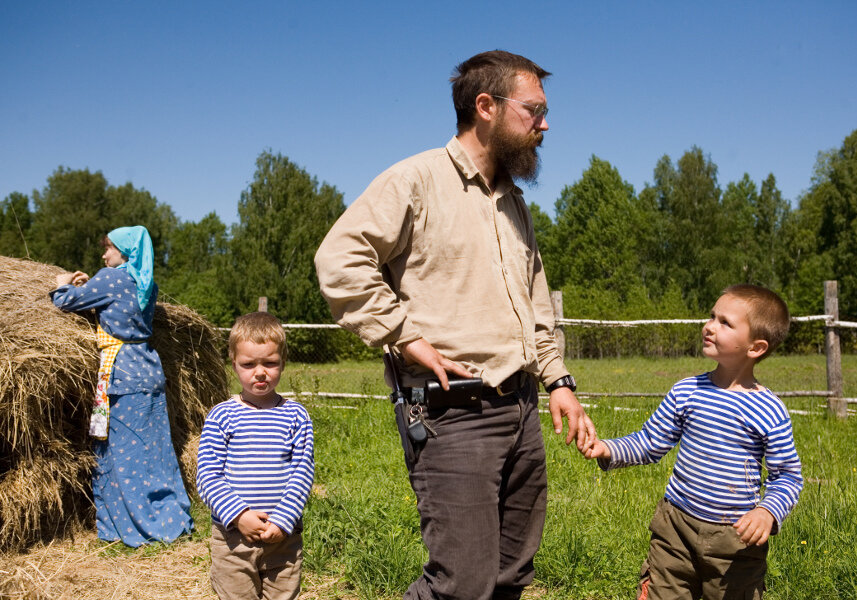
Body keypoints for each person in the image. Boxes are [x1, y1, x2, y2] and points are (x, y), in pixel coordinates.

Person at [314, 50, 596, 600]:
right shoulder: (414, 181)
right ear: (486, 106)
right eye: (534, 109)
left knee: (511, 575)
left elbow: (534, 302)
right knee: (463, 584)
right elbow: (339, 260)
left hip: (521, 410)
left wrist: (557, 381)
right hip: (450, 411)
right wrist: (404, 334)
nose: (546, 124)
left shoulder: (514, 201)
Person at [587, 284, 804, 600]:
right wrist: (608, 448)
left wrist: (767, 512)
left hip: (735, 543)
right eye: (712, 316)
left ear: (755, 348)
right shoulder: (686, 391)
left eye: (725, 323)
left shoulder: (768, 410)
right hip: (674, 530)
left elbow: (787, 476)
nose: (710, 326)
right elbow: (651, 441)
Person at [50, 225, 193, 547]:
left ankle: (142, 526)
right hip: (148, 368)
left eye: (109, 248)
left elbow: (66, 302)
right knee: (154, 452)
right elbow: (114, 303)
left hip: (123, 374)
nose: (104, 254)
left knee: (123, 454)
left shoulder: (111, 276)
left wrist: (62, 284)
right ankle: (169, 516)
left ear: (125, 251)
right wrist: (93, 287)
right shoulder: (146, 282)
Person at [196, 311, 314, 600]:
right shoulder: (222, 415)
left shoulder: (296, 415)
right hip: (233, 538)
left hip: (283, 538)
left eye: (270, 363)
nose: (259, 372)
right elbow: (207, 475)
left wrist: (284, 519)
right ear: (234, 364)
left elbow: (302, 472)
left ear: (283, 363)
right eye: (249, 364)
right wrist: (239, 515)